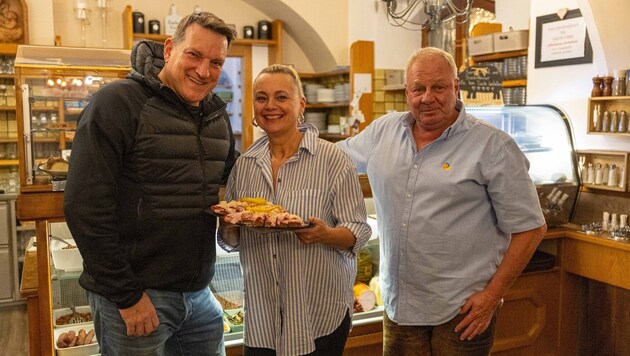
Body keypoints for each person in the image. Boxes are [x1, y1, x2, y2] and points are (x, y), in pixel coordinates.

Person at [336, 47, 547, 355]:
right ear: (407, 92)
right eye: (418, 89)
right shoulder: (384, 131)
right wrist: (285, 135)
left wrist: (492, 296)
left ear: (456, 87)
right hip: (400, 307)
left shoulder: (493, 146)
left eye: (438, 87)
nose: (427, 97)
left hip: (461, 311)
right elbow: (332, 159)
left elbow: (531, 228)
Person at [64, 11, 238, 356]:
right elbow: (84, 207)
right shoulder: (116, 103)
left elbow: (228, 188)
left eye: (216, 62)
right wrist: (127, 296)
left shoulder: (217, 116)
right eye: (195, 55)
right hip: (135, 297)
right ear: (170, 49)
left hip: (200, 294)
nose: (204, 71)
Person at [218, 64, 371, 356]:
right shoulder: (245, 165)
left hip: (317, 314)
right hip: (262, 316)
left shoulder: (332, 159)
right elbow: (230, 241)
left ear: (301, 104)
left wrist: (324, 235)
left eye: (281, 97)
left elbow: (360, 231)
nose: (270, 106)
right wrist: (228, 224)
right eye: (262, 98)